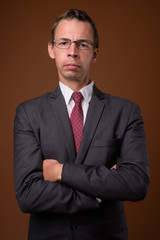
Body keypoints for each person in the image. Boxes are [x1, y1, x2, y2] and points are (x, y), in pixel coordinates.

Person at [14, 9, 150, 240]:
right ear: (51, 49)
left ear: (95, 53)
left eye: (83, 44)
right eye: (64, 42)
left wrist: (60, 171)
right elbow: (28, 194)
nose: (73, 52)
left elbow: (136, 184)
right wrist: (97, 194)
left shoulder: (125, 112)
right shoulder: (28, 112)